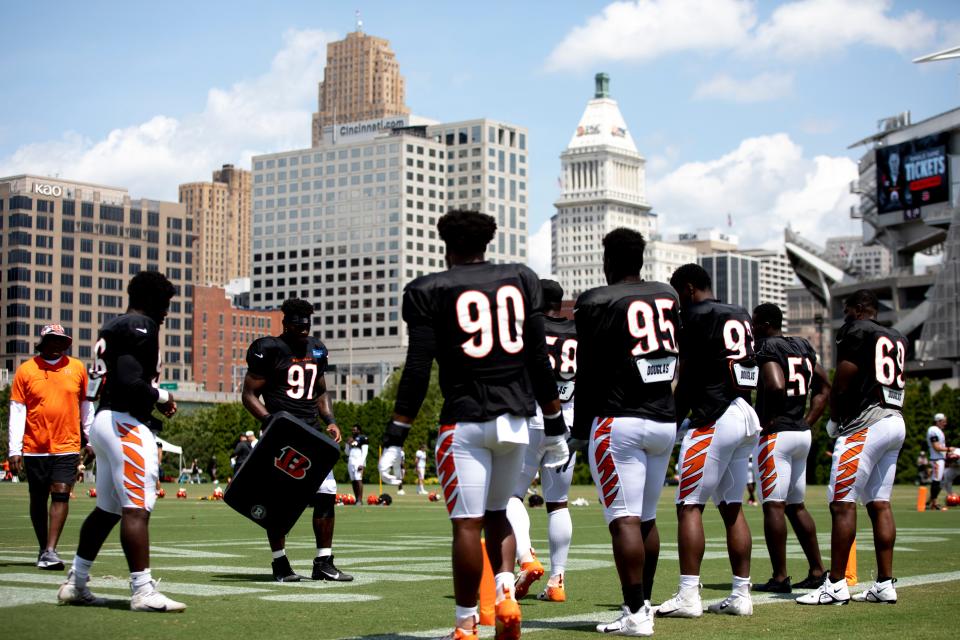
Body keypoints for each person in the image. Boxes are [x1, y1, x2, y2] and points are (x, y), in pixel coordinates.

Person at [380, 209, 568, 640]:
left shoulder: (428, 289)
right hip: (517, 419)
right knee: (499, 513)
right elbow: (539, 360)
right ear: (489, 240)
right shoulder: (522, 278)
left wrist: (396, 435)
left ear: (444, 242)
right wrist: (555, 424)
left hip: (464, 420)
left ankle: (466, 622)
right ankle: (505, 593)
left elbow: (417, 367)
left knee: (467, 524)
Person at [570, 229, 682, 635]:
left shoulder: (597, 300)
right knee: (647, 518)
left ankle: (635, 613)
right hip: (662, 419)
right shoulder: (667, 295)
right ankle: (644, 604)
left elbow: (587, 370)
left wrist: (579, 430)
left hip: (620, 421)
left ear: (609, 261)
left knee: (624, 520)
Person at [57, 271, 185, 611]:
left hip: (106, 419)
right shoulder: (140, 326)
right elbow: (130, 381)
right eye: (165, 304)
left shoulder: (117, 326)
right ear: (153, 300)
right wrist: (160, 395)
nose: (166, 313)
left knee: (107, 510)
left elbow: (122, 381)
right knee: (137, 508)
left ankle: (76, 581)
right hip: (124, 423)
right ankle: (142, 590)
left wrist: (155, 406)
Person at [659, 263, 761, 618]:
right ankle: (741, 594)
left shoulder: (695, 315)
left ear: (687, 289)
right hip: (744, 412)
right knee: (731, 507)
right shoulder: (739, 312)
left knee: (688, 505)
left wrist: (670, 422)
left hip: (714, 416)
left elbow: (686, 377)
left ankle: (688, 595)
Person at [797, 289, 907, 606]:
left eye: (847, 310)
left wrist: (834, 418)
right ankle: (885, 583)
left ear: (859, 310)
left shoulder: (858, 330)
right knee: (879, 503)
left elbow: (843, 379)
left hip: (866, 423)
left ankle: (835, 584)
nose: (844, 316)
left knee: (842, 503)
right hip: (894, 418)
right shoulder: (896, 336)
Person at [241, 297, 353, 583]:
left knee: (327, 495)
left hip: (312, 432)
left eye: (306, 323)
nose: (303, 329)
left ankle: (324, 562)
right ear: (285, 323)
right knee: (278, 502)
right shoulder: (269, 349)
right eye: (297, 323)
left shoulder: (316, 349)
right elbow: (249, 394)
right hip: (283, 435)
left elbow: (320, 391)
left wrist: (330, 420)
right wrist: (269, 422)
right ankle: (280, 563)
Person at [506, 278, 578, 604]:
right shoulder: (579, 332)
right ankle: (557, 580)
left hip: (530, 418)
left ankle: (527, 557)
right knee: (558, 502)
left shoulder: (528, 328)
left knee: (510, 495)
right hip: (567, 422)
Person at [750, 303, 830, 593]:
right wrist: (808, 420)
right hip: (800, 433)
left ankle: (780, 576)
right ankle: (817, 569)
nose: (751, 327)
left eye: (755, 322)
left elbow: (774, 385)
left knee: (773, 505)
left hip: (778, 434)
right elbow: (824, 385)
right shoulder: (802, 345)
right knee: (796, 506)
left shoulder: (766, 346)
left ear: (767, 323)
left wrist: (765, 418)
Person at [8, 324, 94, 570]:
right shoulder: (26, 370)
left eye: (62, 341)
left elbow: (86, 406)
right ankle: (42, 545)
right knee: (38, 498)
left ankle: (51, 549)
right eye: (53, 340)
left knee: (61, 492)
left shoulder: (77, 368)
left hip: (67, 445)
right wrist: (15, 448)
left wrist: (91, 438)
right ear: (43, 342)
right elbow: (17, 411)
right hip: (35, 447)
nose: (58, 345)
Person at [926, 413, 949, 510]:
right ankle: (934, 503)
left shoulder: (938, 430)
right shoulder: (933, 430)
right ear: (938, 421)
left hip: (940, 459)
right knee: (936, 481)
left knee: (939, 481)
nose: (945, 423)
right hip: (936, 459)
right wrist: (949, 449)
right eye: (943, 421)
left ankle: (930, 501)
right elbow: (936, 447)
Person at [345, 425, 369, 503]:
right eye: (352, 430)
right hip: (351, 461)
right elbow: (347, 453)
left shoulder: (363, 438)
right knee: (353, 480)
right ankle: (356, 499)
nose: (353, 431)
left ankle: (360, 500)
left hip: (358, 461)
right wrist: (347, 444)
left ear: (359, 430)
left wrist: (361, 463)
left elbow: (365, 452)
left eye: (355, 430)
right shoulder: (351, 439)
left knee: (358, 479)